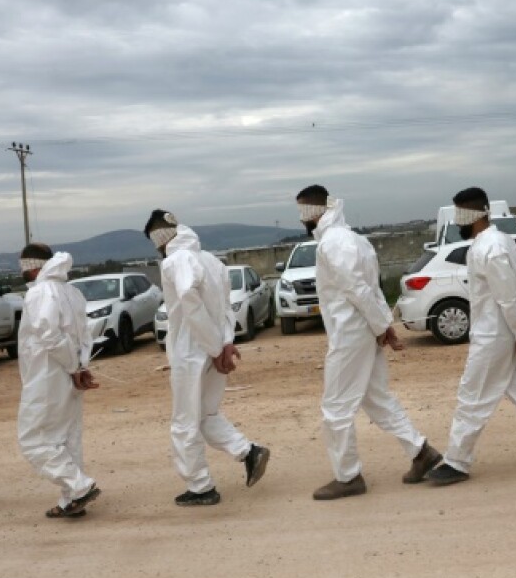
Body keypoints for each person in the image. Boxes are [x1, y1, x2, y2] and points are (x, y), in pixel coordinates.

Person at [295, 185, 441, 500]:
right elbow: (373, 289)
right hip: (363, 330)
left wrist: (381, 326)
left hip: (350, 333)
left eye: (302, 211)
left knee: (336, 407)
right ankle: (421, 452)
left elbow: (358, 290)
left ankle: (347, 477)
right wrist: (382, 325)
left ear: (313, 211)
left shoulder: (333, 243)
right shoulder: (355, 240)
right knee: (376, 398)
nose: (301, 219)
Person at [426, 187, 516, 485]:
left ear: (474, 215)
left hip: (494, 336)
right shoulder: (496, 242)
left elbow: (509, 296)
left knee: (472, 396)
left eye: (460, 216)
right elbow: (515, 293)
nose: (457, 223)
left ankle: (456, 461)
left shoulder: (490, 248)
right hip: (502, 332)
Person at [144, 209, 270, 506]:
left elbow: (190, 300)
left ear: (159, 238)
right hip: (212, 347)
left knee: (185, 422)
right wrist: (225, 342)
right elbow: (225, 306)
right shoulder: (211, 261)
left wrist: (215, 348)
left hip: (192, 351)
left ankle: (201, 487)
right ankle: (248, 451)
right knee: (205, 415)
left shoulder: (176, 261)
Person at [16, 243, 102, 519]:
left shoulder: (40, 292)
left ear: (32, 266)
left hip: (47, 375)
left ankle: (79, 487)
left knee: (33, 440)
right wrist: (80, 366)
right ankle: (71, 500)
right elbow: (84, 336)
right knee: (66, 438)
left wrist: (73, 367)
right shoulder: (71, 292)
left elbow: (49, 335)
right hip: (68, 372)